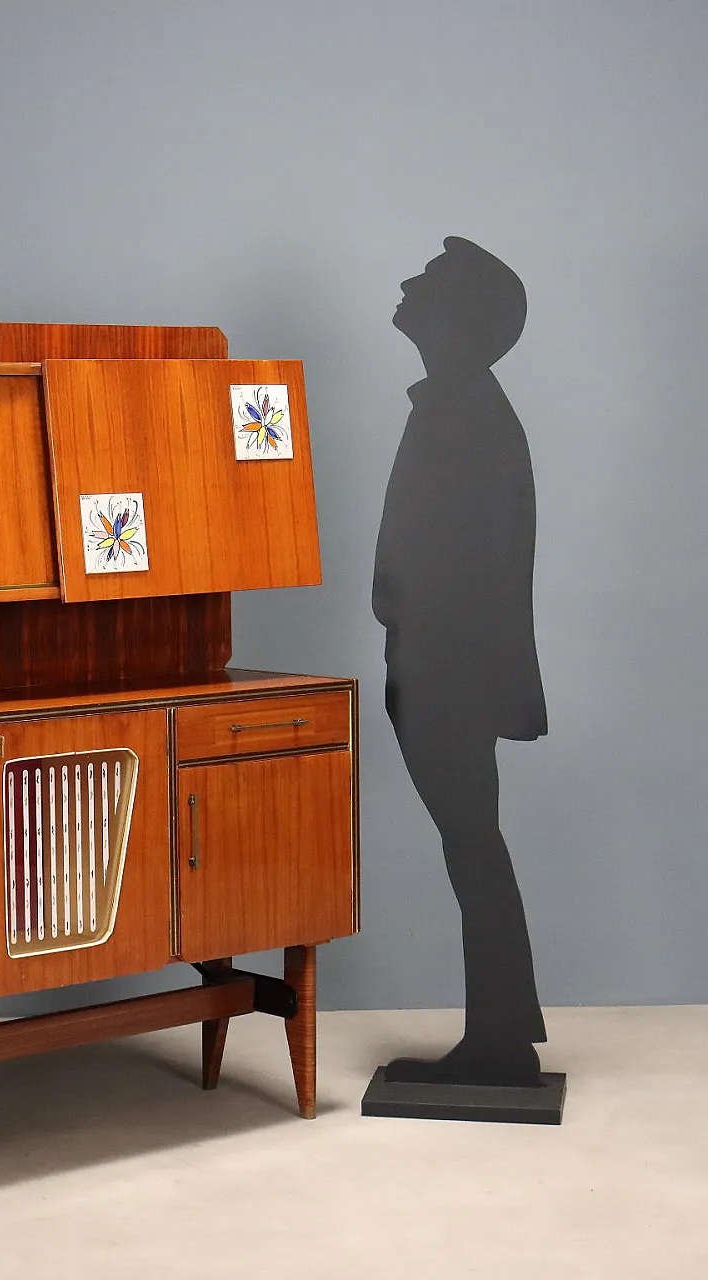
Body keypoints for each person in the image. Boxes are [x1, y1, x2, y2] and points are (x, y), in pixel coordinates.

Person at [372, 236, 548, 1087]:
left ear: (459, 315)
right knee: (474, 844)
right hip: (442, 665)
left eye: (430, 280)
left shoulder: (463, 412)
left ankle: (500, 1040)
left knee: (473, 845)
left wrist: (414, 640)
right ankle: (504, 1031)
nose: (410, 281)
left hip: (448, 672)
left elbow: (470, 560)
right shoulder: (461, 405)